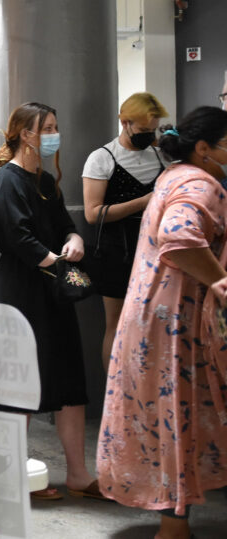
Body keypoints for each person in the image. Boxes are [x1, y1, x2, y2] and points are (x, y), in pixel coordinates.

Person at [98, 107, 227, 539]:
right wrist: (220, 280)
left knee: (169, 416)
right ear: (204, 148)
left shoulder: (171, 176)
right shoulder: (198, 184)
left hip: (152, 313)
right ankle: (173, 529)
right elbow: (180, 238)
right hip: (174, 321)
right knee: (179, 414)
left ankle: (174, 524)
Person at [0, 102, 93, 501]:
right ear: (25, 134)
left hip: (51, 289)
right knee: (20, 387)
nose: (53, 134)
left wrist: (74, 240)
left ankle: (80, 474)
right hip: (21, 292)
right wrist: (57, 262)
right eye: (46, 128)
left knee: (68, 379)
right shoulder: (7, 181)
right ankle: (15, 479)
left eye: (54, 126)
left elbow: (64, 224)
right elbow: (18, 238)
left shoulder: (46, 180)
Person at [82, 92, 167, 370]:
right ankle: (114, 398)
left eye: (152, 130)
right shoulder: (102, 158)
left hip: (155, 251)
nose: (148, 135)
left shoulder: (160, 156)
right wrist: (142, 203)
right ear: (125, 122)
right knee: (116, 324)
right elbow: (93, 213)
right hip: (115, 252)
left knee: (154, 323)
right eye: (143, 130)